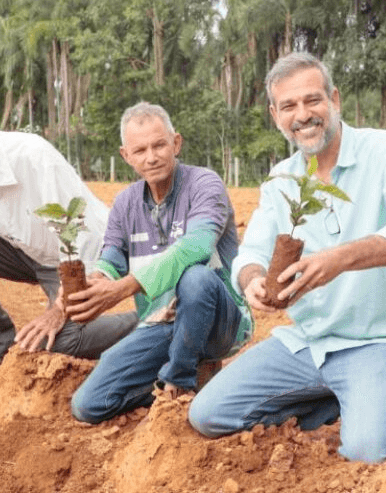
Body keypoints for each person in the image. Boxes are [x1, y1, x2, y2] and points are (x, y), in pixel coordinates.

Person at [188, 52, 386, 463]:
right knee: (209, 414)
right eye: (289, 106)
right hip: (308, 343)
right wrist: (252, 279)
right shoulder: (281, 180)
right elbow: (251, 252)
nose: (303, 115)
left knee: (368, 451)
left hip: (382, 339)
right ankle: (347, 400)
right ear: (276, 115)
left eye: (313, 100)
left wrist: (338, 259)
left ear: (335, 99)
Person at [0, 107, 138, 386]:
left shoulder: (32, 155)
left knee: (62, 338)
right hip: (29, 251)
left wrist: (57, 310)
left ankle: (148, 324)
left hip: (83, 253)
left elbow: (82, 235)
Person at [68, 102, 253, 423]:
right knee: (89, 404)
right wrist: (96, 281)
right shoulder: (126, 202)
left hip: (220, 319)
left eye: (159, 145)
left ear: (175, 143)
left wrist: (124, 288)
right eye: (140, 150)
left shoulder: (204, 184)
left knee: (196, 277)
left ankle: (179, 381)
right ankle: (195, 379)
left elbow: (197, 246)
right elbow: (112, 258)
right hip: (161, 323)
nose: (151, 157)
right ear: (125, 155)